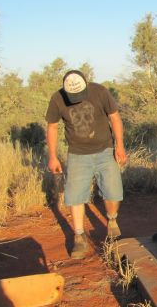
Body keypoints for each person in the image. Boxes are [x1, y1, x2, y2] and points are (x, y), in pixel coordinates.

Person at [46, 70, 127, 259]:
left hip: (105, 149)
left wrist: (120, 146)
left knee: (113, 192)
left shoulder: (100, 92)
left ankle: (112, 220)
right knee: (75, 196)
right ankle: (79, 236)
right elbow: (52, 126)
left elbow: (115, 117)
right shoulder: (57, 98)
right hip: (77, 153)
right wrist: (53, 156)